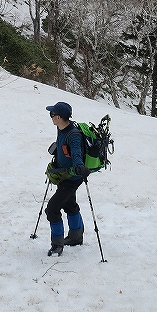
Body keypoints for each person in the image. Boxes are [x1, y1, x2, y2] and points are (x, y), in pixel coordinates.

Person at [44, 101, 87, 256]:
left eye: (52, 114)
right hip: (63, 174)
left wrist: (79, 166)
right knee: (69, 204)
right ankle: (76, 237)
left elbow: (76, 153)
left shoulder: (74, 134)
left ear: (59, 117)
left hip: (72, 177)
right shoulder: (60, 128)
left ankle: (57, 245)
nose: (51, 117)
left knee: (52, 208)